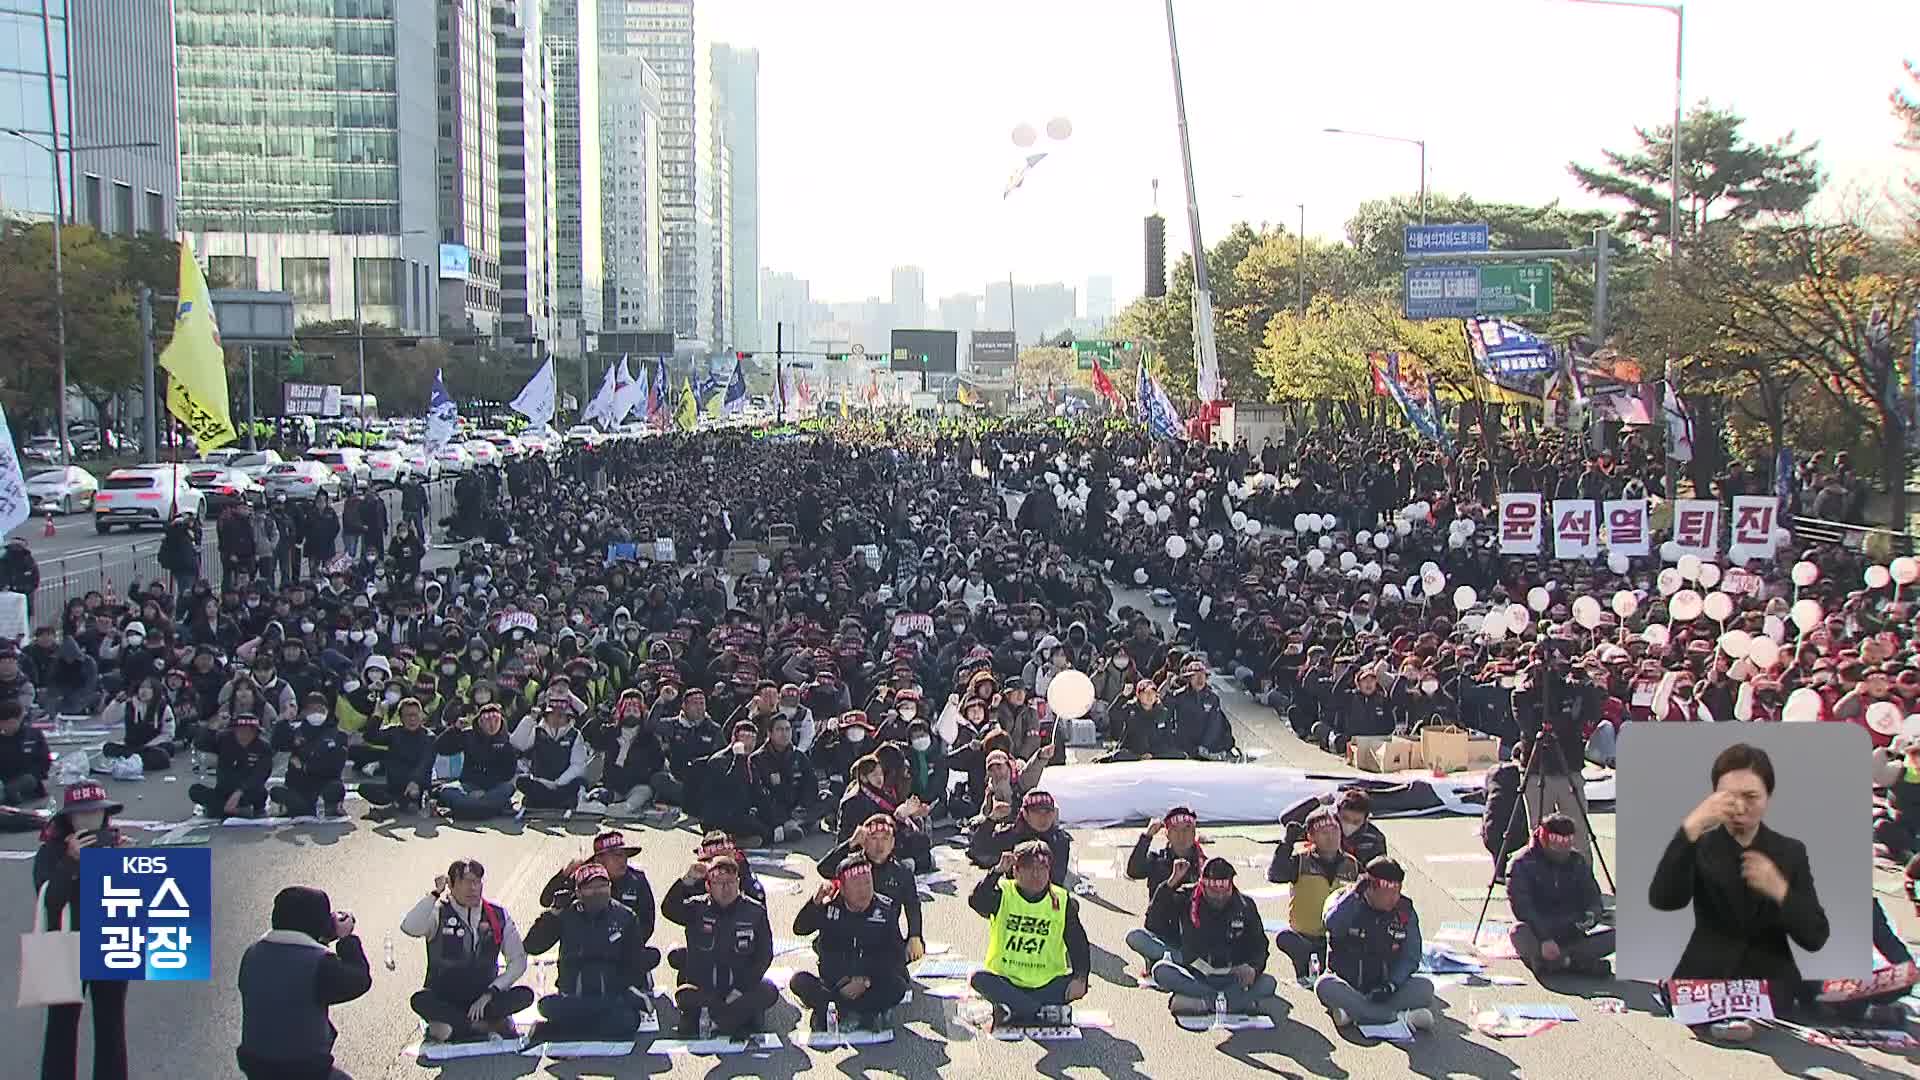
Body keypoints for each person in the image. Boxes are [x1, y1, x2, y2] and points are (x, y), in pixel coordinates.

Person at [1650, 742, 1830, 1041]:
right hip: (1709, 967)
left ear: (1768, 797)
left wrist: (1780, 889)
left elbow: (1815, 934)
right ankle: (1724, 1013)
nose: (1740, 807)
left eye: (1751, 796)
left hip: (1765, 971)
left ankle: (1756, 1011)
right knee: (1682, 988)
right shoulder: (1699, 845)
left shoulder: (1790, 851)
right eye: (1729, 797)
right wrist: (1689, 831)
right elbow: (1664, 899)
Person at [34, 782, 131, 1080]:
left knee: (111, 1025)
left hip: (109, 942)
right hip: (65, 945)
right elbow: (49, 898)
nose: (90, 820)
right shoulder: (51, 851)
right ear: (69, 820)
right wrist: (70, 862)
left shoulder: (115, 847)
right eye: (82, 815)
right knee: (61, 1026)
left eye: (96, 814)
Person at [235, 885, 371, 1080]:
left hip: (255, 1064)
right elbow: (360, 980)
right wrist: (346, 938)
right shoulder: (321, 964)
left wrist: (322, 936)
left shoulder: (252, 954)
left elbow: (288, 975)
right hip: (303, 1069)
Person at [399, 859, 535, 1042]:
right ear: (451, 886)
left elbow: (518, 961)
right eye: (465, 882)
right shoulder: (438, 912)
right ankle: (484, 1026)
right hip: (446, 997)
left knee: (525, 995)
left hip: (483, 999)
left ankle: (456, 1029)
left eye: (476, 882)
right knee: (420, 1000)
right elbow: (410, 927)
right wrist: (434, 894)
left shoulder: (497, 914)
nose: (472, 888)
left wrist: (491, 992)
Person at [522, 862, 659, 1041]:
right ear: (578, 892)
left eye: (602, 886)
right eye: (591, 888)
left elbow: (634, 963)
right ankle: (582, 1023)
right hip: (574, 996)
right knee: (546, 1006)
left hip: (610, 995)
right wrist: (552, 915)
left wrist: (623, 988)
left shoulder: (625, 917)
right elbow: (532, 946)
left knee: (628, 1022)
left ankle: (563, 1028)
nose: (597, 892)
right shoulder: (566, 914)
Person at [967, 839, 1091, 1029]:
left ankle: (1016, 1009)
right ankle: (1036, 1012)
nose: (1037, 875)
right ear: (1016, 871)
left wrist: (1081, 977)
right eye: (1030, 869)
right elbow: (976, 901)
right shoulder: (1003, 894)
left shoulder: (1062, 900)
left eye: (1042, 869)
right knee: (977, 978)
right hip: (1007, 982)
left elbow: (1078, 943)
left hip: (1047, 984)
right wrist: (996, 872)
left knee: (1075, 986)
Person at [661, 851, 780, 1039]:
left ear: (739, 883)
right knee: (684, 994)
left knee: (769, 990)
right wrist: (687, 880)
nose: (726, 889)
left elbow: (764, 956)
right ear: (708, 886)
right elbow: (668, 909)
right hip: (706, 989)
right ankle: (732, 1020)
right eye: (719, 883)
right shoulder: (696, 908)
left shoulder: (755, 911)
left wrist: (740, 989)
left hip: (739, 990)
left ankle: (717, 1019)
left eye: (731, 882)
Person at [790, 852, 911, 1031]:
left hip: (868, 982)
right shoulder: (829, 906)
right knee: (798, 981)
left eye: (867, 883)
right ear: (843, 888)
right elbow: (800, 929)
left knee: (898, 986)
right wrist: (815, 903)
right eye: (856, 885)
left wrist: (865, 980)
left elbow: (895, 956)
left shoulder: (885, 910)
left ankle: (840, 1011)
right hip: (835, 982)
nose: (864, 890)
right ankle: (856, 1012)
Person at [1315, 857, 1436, 1033]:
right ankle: (1400, 1018)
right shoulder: (1343, 899)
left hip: (1384, 989)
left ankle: (1355, 1014)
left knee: (1425, 988)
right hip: (1347, 984)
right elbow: (1333, 925)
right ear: (1370, 887)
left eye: (1398, 890)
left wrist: (1391, 985)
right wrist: (1354, 896)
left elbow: (1411, 956)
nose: (1394, 898)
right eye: (1388, 892)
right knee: (1324, 986)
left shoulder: (1404, 910)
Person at [1147, 856, 1279, 1017]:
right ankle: (1232, 1003)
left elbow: (1260, 946)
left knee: (1268, 983)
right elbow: (1153, 924)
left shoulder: (1246, 906)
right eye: (1213, 888)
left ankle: (1203, 1003)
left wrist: (1253, 968)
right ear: (1202, 884)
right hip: (1197, 973)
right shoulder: (1186, 899)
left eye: (1223, 887)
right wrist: (1170, 883)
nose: (1219, 894)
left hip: (1234, 976)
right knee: (1161, 971)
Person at [537, 831, 659, 1000]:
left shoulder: (637, 881)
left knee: (651, 956)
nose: (622, 861)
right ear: (599, 860)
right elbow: (546, 900)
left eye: (625, 856)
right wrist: (565, 874)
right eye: (616, 856)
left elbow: (647, 922)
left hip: (621, 948)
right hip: (583, 951)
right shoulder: (582, 879)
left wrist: (621, 941)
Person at [1507, 812, 1613, 978]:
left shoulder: (1577, 861)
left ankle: (1560, 962)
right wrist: (1545, 938)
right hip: (1539, 931)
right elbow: (1523, 908)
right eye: (1557, 841)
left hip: (1572, 930)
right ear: (1543, 837)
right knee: (1518, 932)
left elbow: (1592, 895)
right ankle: (1575, 963)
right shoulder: (1521, 863)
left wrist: (1592, 915)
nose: (1563, 847)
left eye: (1568, 841)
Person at [817, 814, 928, 962]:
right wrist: (850, 843)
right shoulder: (852, 866)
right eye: (874, 839)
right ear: (864, 841)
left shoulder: (902, 872)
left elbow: (913, 905)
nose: (879, 846)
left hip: (885, 936)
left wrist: (915, 935)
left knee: (909, 952)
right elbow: (824, 869)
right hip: (850, 935)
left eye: (885, 839)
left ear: (893, 842)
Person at [1270, 807, 1360, 980]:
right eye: (1324, 832)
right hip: (1304, 937)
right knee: (1284, 937)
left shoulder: (1352, 865)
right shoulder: (1300, 861)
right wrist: (1287, 844)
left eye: (1335, 830)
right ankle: (1305, 964)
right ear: (1311, 838)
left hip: (1337, 939)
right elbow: (1276, 874)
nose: (1331, 836)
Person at [1123, 805, 1207, 966]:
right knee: (1134, 936)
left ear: (1195, 832)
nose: (1182, 836)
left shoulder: (1204, 865)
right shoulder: (1157, 860)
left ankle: (1172, 962)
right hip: (1160, 931)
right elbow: (1133, 871)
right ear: (1167, 834)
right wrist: (1147, 836)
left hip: (1193, 937)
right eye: (1176, 830)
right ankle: (1174, 961)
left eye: (1187, 829)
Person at [431, 702, 520, 821]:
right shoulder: (468, 735)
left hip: (494, 789)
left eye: (495, 721)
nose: (492, 725)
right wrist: (455, 729)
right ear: (479, 722)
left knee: (508, 788)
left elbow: (509, 773)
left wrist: (483, 791)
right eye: (487, 721)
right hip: (468, 786)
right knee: (447, 790)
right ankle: (489, 809)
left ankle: (463, 810)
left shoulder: (508, 741)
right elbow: (440, 748)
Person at [270, 691, 350, 817]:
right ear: (305, 712)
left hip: (326, 781)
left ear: (327, 711)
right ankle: (300, 807)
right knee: (276, 792)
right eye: (312, 709)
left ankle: (332, 806)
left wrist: (305, 766)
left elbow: (336, 765)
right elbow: (277, 744)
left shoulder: (339, 735)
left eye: (320, 709)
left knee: (336, 788)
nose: (316, 713)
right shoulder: (296, 731)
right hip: (300, 784)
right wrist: (283, 720)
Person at [969, 788, 1073, 884]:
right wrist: (991, 820)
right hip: (1015, 893)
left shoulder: (1060, 840)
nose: (1043, 817)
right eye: (1036, 811)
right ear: (1025, 814)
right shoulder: (1013, 834)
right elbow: (978, 850)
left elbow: (1057, 879)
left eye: (1048, 811)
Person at [357, 696, 436, 814]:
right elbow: (370, 737)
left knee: (414, 793)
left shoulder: (429, 736)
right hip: (394, 785)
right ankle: (397, 802)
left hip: (417, 784)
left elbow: (426, 763)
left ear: (421, 716)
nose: (412, 719)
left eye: (415, 715)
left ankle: (405, 802)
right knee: (363, 788)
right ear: (401, 718)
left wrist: (415, 781)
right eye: (408, 716)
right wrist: (378, 716)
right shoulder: (394, 732)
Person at [511, 697, 591, 812]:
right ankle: (552, 800)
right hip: (539, 782)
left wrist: (558, 782)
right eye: (552, 714)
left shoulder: (575, 735)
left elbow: (578, 765)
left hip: (562, 785)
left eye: (560, 715)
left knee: (580, 782)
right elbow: (518, 743)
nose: (556, 719)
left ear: (568, 717)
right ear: (546, 716)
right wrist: (530, 719)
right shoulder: (537, 731)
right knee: (522, 780)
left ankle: (546, 800)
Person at [189, 711, 272, 818]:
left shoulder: (264, 747)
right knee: (195, 790)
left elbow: (260, 775)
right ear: (235, 730)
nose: (244, 734)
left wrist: (239, 792)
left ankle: (220, 810)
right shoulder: (224, 739)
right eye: (241, 730)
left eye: (249, 731)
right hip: (224, 791)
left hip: (248, 792)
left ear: (255, 732)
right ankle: (233, 811)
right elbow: (201, 744)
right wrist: (213, 728)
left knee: (260, 794)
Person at [1, 696, 53, 805]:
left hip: (28, 778)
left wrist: (35, 775)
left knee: (26, 781)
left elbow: (45, 761)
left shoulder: (33, 735)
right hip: (4, 779)